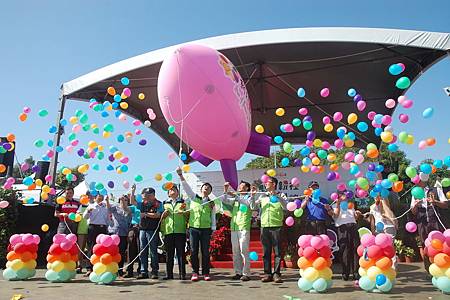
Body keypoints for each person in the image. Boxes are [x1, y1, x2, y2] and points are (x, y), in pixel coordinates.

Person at [177, 167, 216, 282]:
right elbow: (186, 187)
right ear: (201, 189)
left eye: (208, 188)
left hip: (206, 229)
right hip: (193, 229)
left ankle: (206, 273)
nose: (206, 188)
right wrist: (181, 175)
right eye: (205, 186)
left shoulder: (211, 203)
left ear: (210, 191)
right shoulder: (194, 198)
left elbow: (213, 216)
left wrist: (213, 229)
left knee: (205, 251)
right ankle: (195, 272)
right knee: (193, 251)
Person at [254, 176, 287, 283]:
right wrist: (252, 196)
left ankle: (277, 274)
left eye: (268, 182)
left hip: (276, 226)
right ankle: (267, 274)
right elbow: (252, 206)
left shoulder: (281, 195)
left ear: (274, 184)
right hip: (264, 227)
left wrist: (277, 197)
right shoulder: (263, 196)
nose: (266, 184)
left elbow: (286, 207)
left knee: (277, 252)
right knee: (266, 252)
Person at [411, 180, 448, 274]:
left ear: (424, 180)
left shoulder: (435, 190)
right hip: (422, 221)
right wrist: (415, 206)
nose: (416, 182)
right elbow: (413, 212)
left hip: (435, 220)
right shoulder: (415, 193)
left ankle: (441, 265)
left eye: (418, 180)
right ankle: (429, 270)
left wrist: (435, 202)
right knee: (424, 244)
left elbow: (445, 204)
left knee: (438, 243)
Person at [222, 180, 254, 281]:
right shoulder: (236, 199)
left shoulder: (249, 198)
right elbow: (225, 201)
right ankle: (238, 272)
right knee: (235, 251)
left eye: (242, 186)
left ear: (247, 189)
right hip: (234, 227)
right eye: (239, 186)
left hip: (243, 227)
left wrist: (236, 197)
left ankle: (246, 273)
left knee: (244, 250)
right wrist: (225, 190)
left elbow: (249, 204)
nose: (240, 188)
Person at [130, 186, 162, 280]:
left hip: (152, 230)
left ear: (153, 195)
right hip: (142, 229)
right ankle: (144, 271)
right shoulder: (143, 204)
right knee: (142, 251)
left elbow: (158, 215)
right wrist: (132, 191)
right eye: (145, 195)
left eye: (148, 195)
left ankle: (154, 271)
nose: (146, 197)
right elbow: (133, 202)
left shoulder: (158, 204)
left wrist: (146, 214)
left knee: (153, 251)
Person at [331, 191, 362, 281]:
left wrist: (357, 215)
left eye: (346, 195)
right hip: (343, 228)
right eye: (343, 195)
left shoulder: (350, 205)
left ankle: (356, 273)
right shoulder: (335, 205)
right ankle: (345, 273)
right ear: (339, 197)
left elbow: (354, 218)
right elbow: (336, 215)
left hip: (353, 226)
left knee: (355, 249)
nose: (346, 196)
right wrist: (338, 204)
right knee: (345, 251)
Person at [160, 184, 187, 280]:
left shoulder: (183, 202)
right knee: (169, 254)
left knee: (181, 253)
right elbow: (161, 219)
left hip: (180, 231)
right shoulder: (164, 203)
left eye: (174, 189)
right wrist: (163, 231)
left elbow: (188, 214)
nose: (173, 191)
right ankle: (169, 274)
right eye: (170, 190)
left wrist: (183, 212)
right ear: (168, 194)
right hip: (168, 231)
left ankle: (182, 274)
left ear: (178, 192)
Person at [83, 194, 110, 276]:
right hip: (93, 228)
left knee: (102, 248)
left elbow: (108, 219)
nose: (101, 198)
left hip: (103, 228)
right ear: (95, 198)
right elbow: (84, 217)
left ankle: (101, 267)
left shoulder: (106, 206)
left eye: (102, 197)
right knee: (91, 247)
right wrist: (88, 211)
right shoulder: (91, 206)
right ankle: (89, 268)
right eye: (99, 197)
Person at [108, 194, 132, 277]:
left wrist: (123, 203)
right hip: (114, 232)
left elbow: (126, 211)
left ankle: (120, 269)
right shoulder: (115, 206)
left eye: (125, 200)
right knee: (113, 251)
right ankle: (113, 269)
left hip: (124, 233)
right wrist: (107, 200)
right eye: (122, 199)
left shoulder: (129, 208)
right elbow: (108, 210)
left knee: (121, 252)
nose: (123, 200)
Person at [75, 191, 93, 274]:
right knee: (81, 248)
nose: (90, 197)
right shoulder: (81, 205)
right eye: (88, 195)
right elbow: (77, 215)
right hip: (82, 228)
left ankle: (89, 268)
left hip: (91, 229)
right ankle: (80, 265)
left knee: (90, 249)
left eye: (91, 195)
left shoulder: (94, 205)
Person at [125, 189, 141, 278]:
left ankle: (140, 270)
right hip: (133, 227)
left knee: (140, 249)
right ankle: (129, 270)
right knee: (130, 249)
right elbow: (125, 208)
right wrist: (123, 202)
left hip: (142, 228)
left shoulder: (142, 205)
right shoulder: (133, 207)